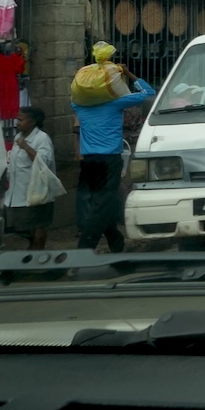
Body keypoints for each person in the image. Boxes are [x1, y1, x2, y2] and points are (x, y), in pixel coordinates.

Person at [72, 42, 155, 253]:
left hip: (88, 160)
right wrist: (127, 72)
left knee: (101, 202)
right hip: (109, 160)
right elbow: (148, 92)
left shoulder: (79, 106)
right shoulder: (115, 103)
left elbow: (76, 95)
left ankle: (116, 245)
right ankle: (84, 250)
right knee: (102, 203)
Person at [3, 106, 55, 249]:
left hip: (36, 192)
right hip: (17, 193)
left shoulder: (41, 138)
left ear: (33, 121)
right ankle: (33, 252)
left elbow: (43, 161)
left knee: (38, 228)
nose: (17, 123)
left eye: (21, 120)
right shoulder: (18, 137)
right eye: (17, 119)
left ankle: (37, 259)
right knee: (20, 228)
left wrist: (26, 147)